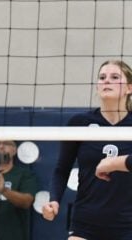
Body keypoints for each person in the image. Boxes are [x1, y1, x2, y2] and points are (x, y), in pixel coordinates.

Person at [42, 59, 132, 240]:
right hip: (86, 222)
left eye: (115, 77)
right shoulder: (80, 123)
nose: (106, 81)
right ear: (97, 87)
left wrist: (116, 163)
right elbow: (62, 169)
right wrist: (54, 199)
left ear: (129, 88)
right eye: (102, 77)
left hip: (127, 223)